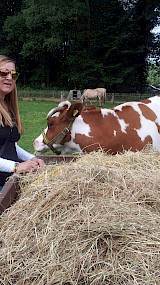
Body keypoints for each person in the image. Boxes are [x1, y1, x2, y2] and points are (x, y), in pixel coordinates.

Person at [0, 54, 45, 190]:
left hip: (10, 182)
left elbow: (10, 145)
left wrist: (31, 158)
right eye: (3, 73)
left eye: (13, 75)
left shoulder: (8, 108)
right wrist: (17, 166)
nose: (9, 78)